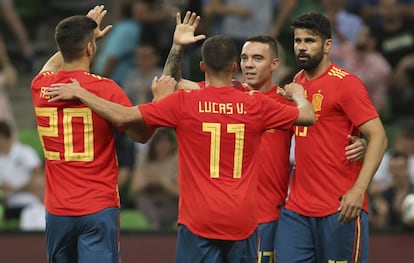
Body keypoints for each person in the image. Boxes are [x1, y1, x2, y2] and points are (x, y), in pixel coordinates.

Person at [45, 17, 316, 262]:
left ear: (202, 67)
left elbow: (133, 111)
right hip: (243, 220)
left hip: (197, 221)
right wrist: (299, 95)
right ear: (235, 66)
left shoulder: (186, 102)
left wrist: (177, 47)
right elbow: (308, 117)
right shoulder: (257, 104)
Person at [161, 11, 368, 262]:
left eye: (258, 58)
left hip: (272, 219)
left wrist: (361, 142)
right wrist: (178, 46)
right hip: (231, 221)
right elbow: (170, 83)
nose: (249, 64)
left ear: (274, 64)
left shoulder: (287, 104)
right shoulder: (227, 96)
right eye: (245, 58)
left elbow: (323, 134)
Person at [30, 5, 161, 262]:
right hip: (97, 207)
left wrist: (80, 37)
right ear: (90, 48)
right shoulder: (106, 89)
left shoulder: (41, 86)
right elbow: (141, 135)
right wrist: (157, 104)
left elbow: (51, 63)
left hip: (57, 211)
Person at [274, 12, 388, 263]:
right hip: (297, 208)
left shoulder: (347, 84)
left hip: (340, 206)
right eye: (298, 41)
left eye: (309, 41)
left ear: (327, 45)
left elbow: (379, 136)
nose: (301, 47)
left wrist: (359, 190)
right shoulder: (297, 82)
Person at [129, 128, 178, 230]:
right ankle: (155, 226)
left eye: (167, 141)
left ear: (172, 144)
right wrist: (148, 181)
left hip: (170, 202)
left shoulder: (178, 160)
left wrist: (163, 181)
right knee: (142, 199)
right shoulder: (143, 159)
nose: (163, 145)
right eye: (160, 142)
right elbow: (134, 190)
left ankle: (155, 226)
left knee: (177, 205)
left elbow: (181, 193)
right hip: (150, 202)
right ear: (154, 144)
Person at [0, 120, 43, 220]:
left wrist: (17, 189)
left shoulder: (24, 152)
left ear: (2, 136)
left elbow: (38, 175)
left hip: (29, 203)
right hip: (9, 205)